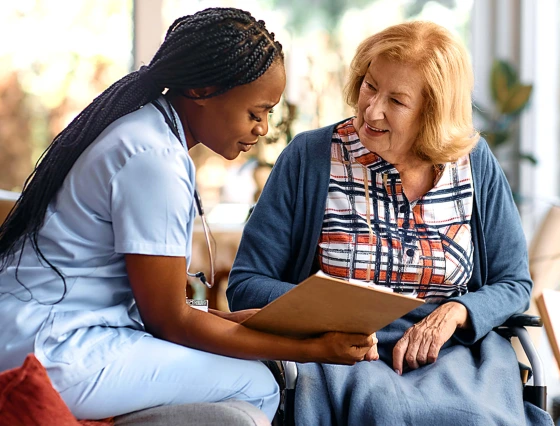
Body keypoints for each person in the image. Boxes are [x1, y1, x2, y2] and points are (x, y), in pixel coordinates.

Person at [0, 7, 378, 421]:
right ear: (202, 90)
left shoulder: (147, 133)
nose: (263, 128)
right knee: (257, 384)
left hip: (45, 334)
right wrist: (311, 351)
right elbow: (170, 323)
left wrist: (256, 323)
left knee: (254, 371)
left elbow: (163, 311)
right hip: (54, 351)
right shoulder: (154, 158)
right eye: (256, 112)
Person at [227, 21, 554, 425]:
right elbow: (246, 285)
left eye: (397, 101)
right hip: (340, 353)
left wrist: (456, 311)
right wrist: (334, 310)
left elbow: (513, 282)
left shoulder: (474, 162)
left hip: (454, 353)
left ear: (432, 113)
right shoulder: (310, 157)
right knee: (382, 410)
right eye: (369, 85)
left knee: (473, 417)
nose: (372, 109)